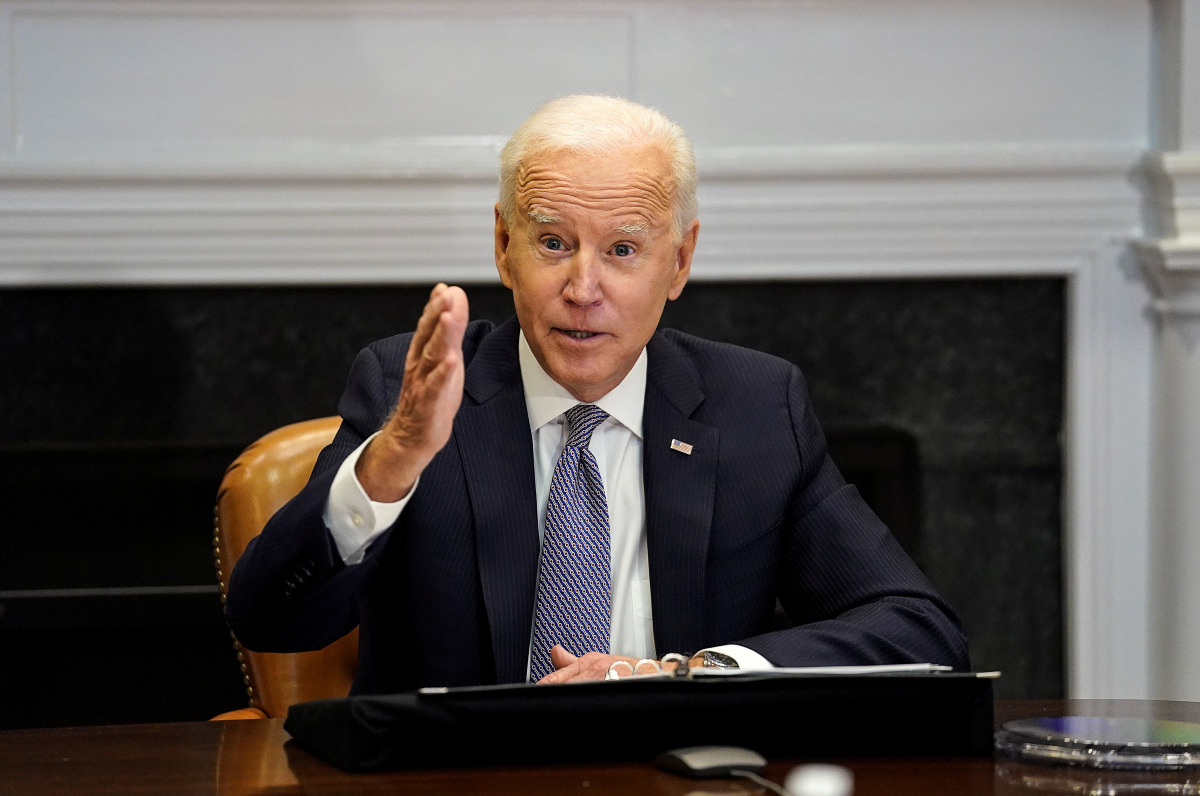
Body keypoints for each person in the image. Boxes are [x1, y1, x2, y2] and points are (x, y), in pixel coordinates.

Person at [226, 94, 969, 694]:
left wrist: (698, 673)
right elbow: (268, 620)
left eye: (623, 249)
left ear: (679, 262)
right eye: (553, 243)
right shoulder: (407, 391)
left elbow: (918, 630)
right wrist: (392, 462)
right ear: (504, 246)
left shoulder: (757, 407)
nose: (584, 290)